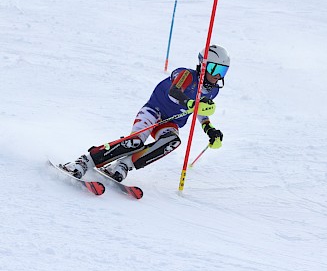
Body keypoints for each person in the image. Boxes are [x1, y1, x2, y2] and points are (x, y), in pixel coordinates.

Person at [63, 44, 230, 182]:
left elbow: (201, 111)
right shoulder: (185, 75)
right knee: (135, 142)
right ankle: (85, 161)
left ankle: (123, 165)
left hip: (170, 122)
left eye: (222, 72)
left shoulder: (212, 91)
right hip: (153, 111)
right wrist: (188, 102)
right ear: (203, 65)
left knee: (171, 141)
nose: (217, 76)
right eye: (214, 69)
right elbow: (174, 91)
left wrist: (210, 129)